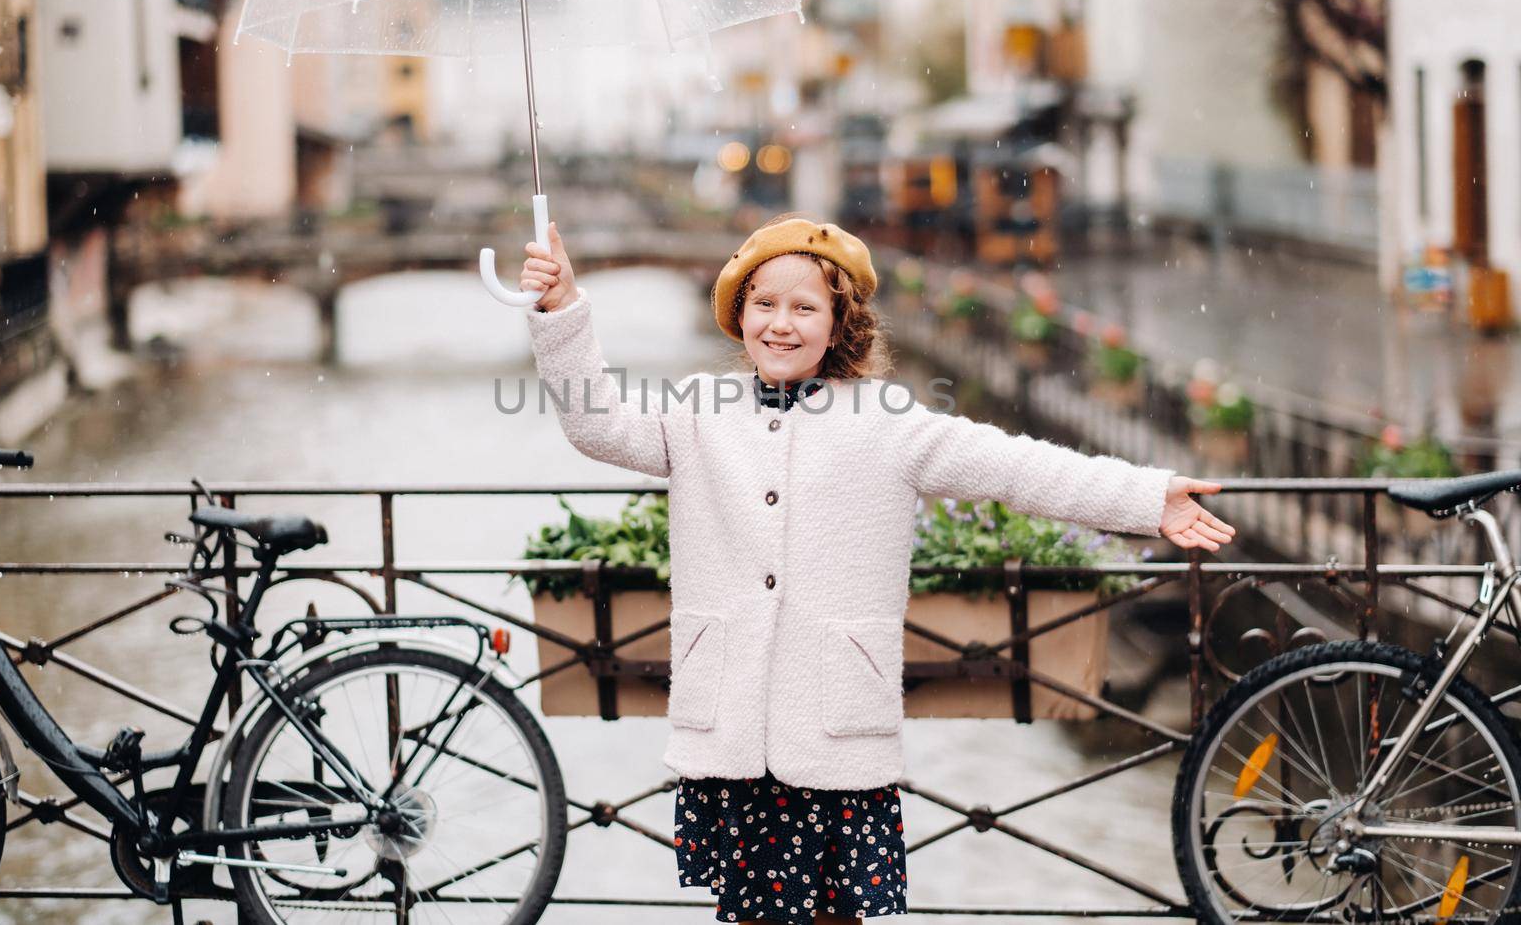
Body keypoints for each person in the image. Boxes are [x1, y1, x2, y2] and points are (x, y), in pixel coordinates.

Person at [519, 213, 1234, 924]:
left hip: (834, 729)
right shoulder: (699, 411)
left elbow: (1017, 467)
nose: (781, 324)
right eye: (764, 303)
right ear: (739, 314)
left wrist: (1146, 496)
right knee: (750, 917)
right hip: (732, 725)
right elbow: (597, 425)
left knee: (836, 919)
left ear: (841, 324)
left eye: (806, 307)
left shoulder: (889, 422)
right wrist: (563, 309)